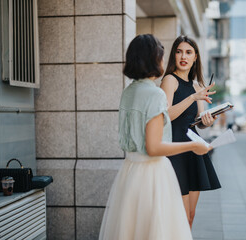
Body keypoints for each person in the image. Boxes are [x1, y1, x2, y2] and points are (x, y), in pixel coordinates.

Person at [99, 34, 213, 240]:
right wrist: (191, 146)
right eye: (173, 52)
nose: (179, 57)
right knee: (160, 229)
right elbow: (153, 145)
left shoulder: (129, 91)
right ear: (154, 59)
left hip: (131, 168)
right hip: (154, 167)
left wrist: (204, 120)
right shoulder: (157, 91)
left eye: (188, 52)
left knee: (136, 229)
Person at [160, 35, 221, 228]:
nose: (183, 56)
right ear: (173, 56)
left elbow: (197, 123)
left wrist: (208, 121)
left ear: (195, 57)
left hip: (193, 151)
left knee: (190, 216)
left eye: (188, 52)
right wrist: (193, 98)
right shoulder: (170, 80)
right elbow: (166, 116)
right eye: (179, 52)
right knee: (180, 216)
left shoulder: (196, 86)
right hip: (174, 153)